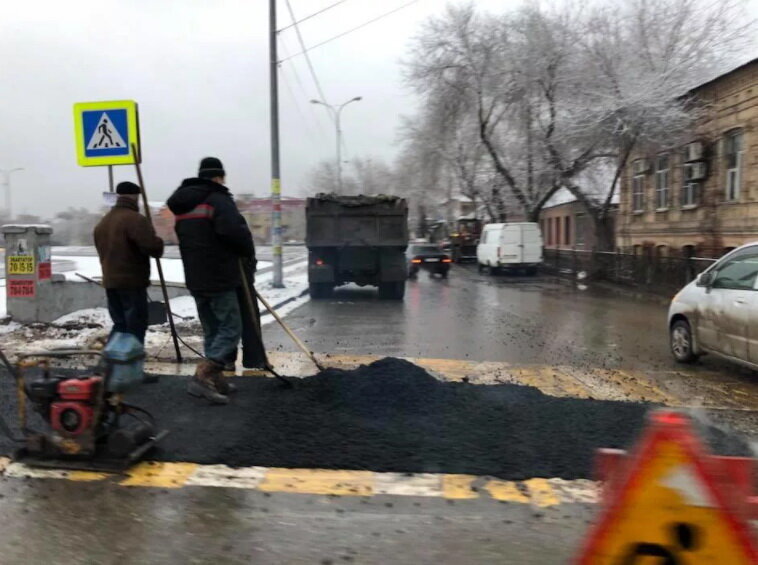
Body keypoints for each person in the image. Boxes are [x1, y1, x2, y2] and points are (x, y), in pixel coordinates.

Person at [167, 157, 266, 405]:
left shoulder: (183, 204)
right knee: (231, 327)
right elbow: (235, 233)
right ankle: (203, 375)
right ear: (219, 177)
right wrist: (245, 252)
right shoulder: (218, 199)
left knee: (212, 327)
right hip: (220, 274)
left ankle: (216, 379)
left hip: (195, 275)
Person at [94, 181, 164, 344]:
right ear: (135, 197)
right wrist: (158, 241)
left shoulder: (103, 222)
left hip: (111, 282)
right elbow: (153, 248)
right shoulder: (136, 220)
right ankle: (131, 357)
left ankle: (115, 356)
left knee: (120, 324)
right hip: (132, 282)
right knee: (135, 325)